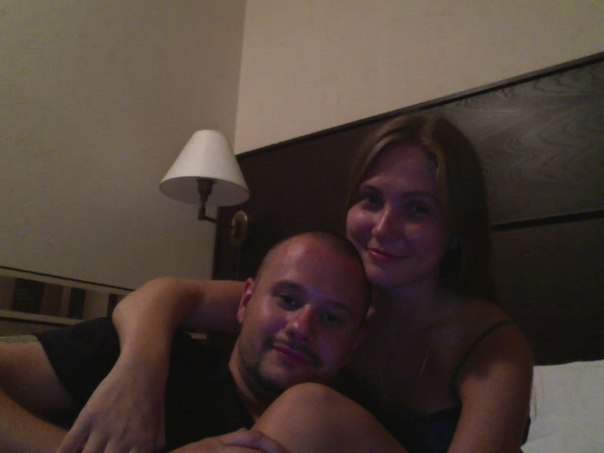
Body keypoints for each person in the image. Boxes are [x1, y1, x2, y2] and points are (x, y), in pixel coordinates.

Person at [65, 113, 534, 452]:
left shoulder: (491, 347)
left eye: (417, 208)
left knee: (308, 409)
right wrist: (137, 375)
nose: (383, 227)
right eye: (371, 199)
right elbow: (166, 295)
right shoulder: (337, 302)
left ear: (455, 230)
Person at [0, 232, 375, 452]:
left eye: (331, 318)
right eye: (288, 299)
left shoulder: (349, 430)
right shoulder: (143, 359)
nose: (301, 327)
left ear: (355, 344)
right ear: (245, 302)